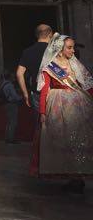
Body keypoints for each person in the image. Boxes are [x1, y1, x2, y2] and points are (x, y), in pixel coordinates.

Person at [30, 34, 93, 191]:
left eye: (73, 47)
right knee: (63, 141)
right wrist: (43, 112)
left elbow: (86, 85)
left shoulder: (75, 64)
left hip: (78, 106)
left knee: (78, 140)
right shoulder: (50, 67)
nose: (73, 51)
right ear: (59, 49)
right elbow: (44, 91)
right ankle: (70, 174)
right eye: (69, 47)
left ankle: (78, 175)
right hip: (58, 105)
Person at [17, 23, 54, 110]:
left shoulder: (27, 52)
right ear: (50, 34)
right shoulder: (55, 51)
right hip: (54, 92)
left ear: (37, 35)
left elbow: (19, 74)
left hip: (37, 93)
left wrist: (25, 94)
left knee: (40, 121)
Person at [0, 71, 24, 143]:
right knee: (13, 122)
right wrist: (21, 97)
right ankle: (11, 139)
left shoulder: (3, 84)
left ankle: (7, 138)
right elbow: (14, 96)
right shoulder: (9, 85)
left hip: (6, 104)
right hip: (12, 104)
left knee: (9, 122)